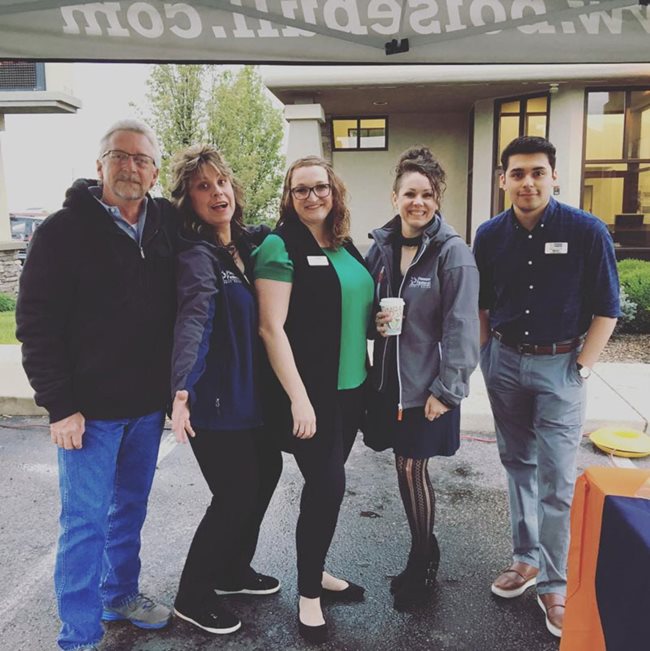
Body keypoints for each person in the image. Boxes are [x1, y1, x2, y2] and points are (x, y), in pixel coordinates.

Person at [15, 119, 178, 651]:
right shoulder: (62, 231)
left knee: (129, 508)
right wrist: (59, 407)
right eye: (119, 155)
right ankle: (78, 636)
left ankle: (119, 594)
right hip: (87, 413)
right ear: (99, 165)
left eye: (141, 158)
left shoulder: (167, 224)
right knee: (84, 522)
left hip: (146, 409)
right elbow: (35, 323)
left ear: (155, 170)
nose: (130, 166)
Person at [473, 136, 620, 638]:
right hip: (505, 364)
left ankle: (555, 584)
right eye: (517, 173)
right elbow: (482, 304)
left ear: (554, 176)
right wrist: (484, 356)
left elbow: (607, 308)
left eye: (537, 172)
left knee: (557, 480)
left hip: (561, 368)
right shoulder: (489, 235)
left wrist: (580, 368)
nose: (528, 182)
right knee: (517, 466)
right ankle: (524, 559)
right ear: (503, 180)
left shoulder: (586, 231)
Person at [253, 156, 374, 643]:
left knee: (325, 490)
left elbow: (351, 311)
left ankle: (316, 569)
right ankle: (309, 595)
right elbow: (270, 328)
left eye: (319, 187)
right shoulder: (280, 246)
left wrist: (377, 325)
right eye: (300, 190)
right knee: (327, 486)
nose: (311, 197)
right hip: (309, 395)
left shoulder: (345, 246)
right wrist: (299, 400)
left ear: (334, 190)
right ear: (289, 196)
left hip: (351, 391)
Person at [168, 144, 283, 635]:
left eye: (221, 182)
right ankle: (192, 596)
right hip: (213, 397)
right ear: (188, 200)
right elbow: (194, 318)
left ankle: (234, 569)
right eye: (202, 186)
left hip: (249, 395)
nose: (217, 192)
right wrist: (180, 390)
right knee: (234, 493)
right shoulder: (197, 256)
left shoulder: (245, 246)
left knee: (268, 470)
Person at [365, 146, 480, 610]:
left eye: (428, 194)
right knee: (403, 465)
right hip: (389, 382)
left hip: (428, 386)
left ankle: (422, 559)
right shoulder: (382, 247)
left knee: (414, 467)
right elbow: (366, 302)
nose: (419, 201)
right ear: (395, 197)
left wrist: (447, 391)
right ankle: (422, 547)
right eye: (410, 193)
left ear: (437, 200)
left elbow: (462, 327)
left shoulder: (453, 254)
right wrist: (372, 320)